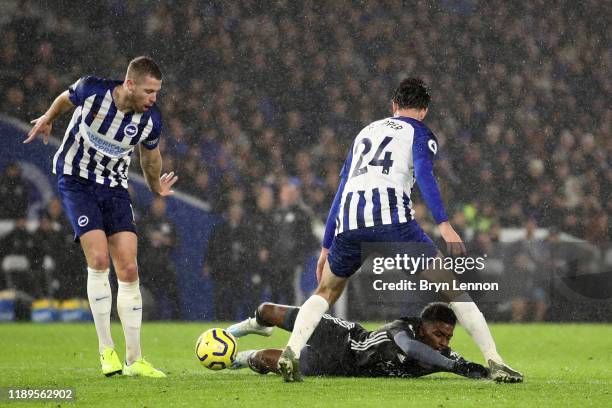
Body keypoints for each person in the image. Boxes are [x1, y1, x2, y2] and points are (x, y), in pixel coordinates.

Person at [277, 78, 523, 383]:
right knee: (453, 289)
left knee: (325, 291)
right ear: (424, 110)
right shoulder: (420, 133)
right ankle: (495, 361)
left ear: (393, 106)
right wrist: (444, 223)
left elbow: (342, 190)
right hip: (394, 223)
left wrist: (327, 246)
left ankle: (292, 351)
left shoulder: (365, 132)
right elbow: (423, 173)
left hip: (351, 222)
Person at [24, 56, 176, 378]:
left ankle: (135, 360)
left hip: (115, 187)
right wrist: (49, 117)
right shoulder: (92, 89)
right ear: (130, 84)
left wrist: (155, 187)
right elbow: (66, 98)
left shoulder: (151, 120)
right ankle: (106, 350)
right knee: (98, 259)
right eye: (149, 91)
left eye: (157, 92)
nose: (154, 98)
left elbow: (149, 157)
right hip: (76, 180)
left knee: (130, 267)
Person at [228, 302, 491, 380]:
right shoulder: (403, 329)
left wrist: (491, 373)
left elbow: (468, 366)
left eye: (448, 337)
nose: (444, 342)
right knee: (267, 311)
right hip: (344, 337)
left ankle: (237, 358)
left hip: (339, 365)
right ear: (422, 329)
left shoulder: (441, 355)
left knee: (265, 359)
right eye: (439, 334)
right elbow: (410, 348)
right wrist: (454, 367)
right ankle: (242, 330)